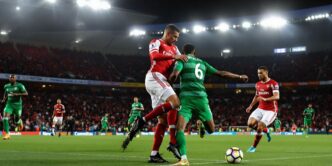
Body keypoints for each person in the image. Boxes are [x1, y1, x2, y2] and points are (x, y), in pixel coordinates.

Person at [169, 44, 248, 165]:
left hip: (186, 99)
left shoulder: (182, 60)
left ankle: (184, 158)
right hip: (201, 99)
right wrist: (239, 76)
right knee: (211, 130)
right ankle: (183, 159)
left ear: (183, 52)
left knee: (179, 129)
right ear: (194, 52)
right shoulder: (203, 63)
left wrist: (170, 81)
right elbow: (221, 73)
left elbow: (174, 75)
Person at [122, 24, 188, 163]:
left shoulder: (175, 48)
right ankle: (144, 121)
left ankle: (154, 154)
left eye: (177, 37)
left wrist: (177, 69)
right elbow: (155, 56)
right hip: (155, 76)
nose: (176, 40)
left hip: (162, 80)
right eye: (174, 36)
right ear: (168, 34)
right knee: (176, 103)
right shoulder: (156, 42)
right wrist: (175, 56)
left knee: (162, 121)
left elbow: (176, 64)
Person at [246, 66, 279, 153]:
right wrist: (251, 106)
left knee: (259, 127)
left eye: (261, 73)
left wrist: (265, 99)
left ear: (266, 73)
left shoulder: (273, 83)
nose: (259, 75)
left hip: (271, 110)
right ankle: (267, 131)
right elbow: (256, 96)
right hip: (260, 108)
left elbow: (277, 96)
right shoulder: (257, 84)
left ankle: (253, 147)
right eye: (258, 73)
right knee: (250, 124)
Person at [1, 74, 28, 140]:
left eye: (13, 77)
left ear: (15, 79)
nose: (12, 78)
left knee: (16, 120)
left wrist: (17, 94)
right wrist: (4, 98)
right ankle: (7, 134)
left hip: (17, 105)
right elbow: (6, 92)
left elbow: (26, 93)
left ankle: (19, 122)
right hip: (9, 104)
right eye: (10, 78)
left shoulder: (20, 85)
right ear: (9, 79)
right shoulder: (6, 86)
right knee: (5, 117)